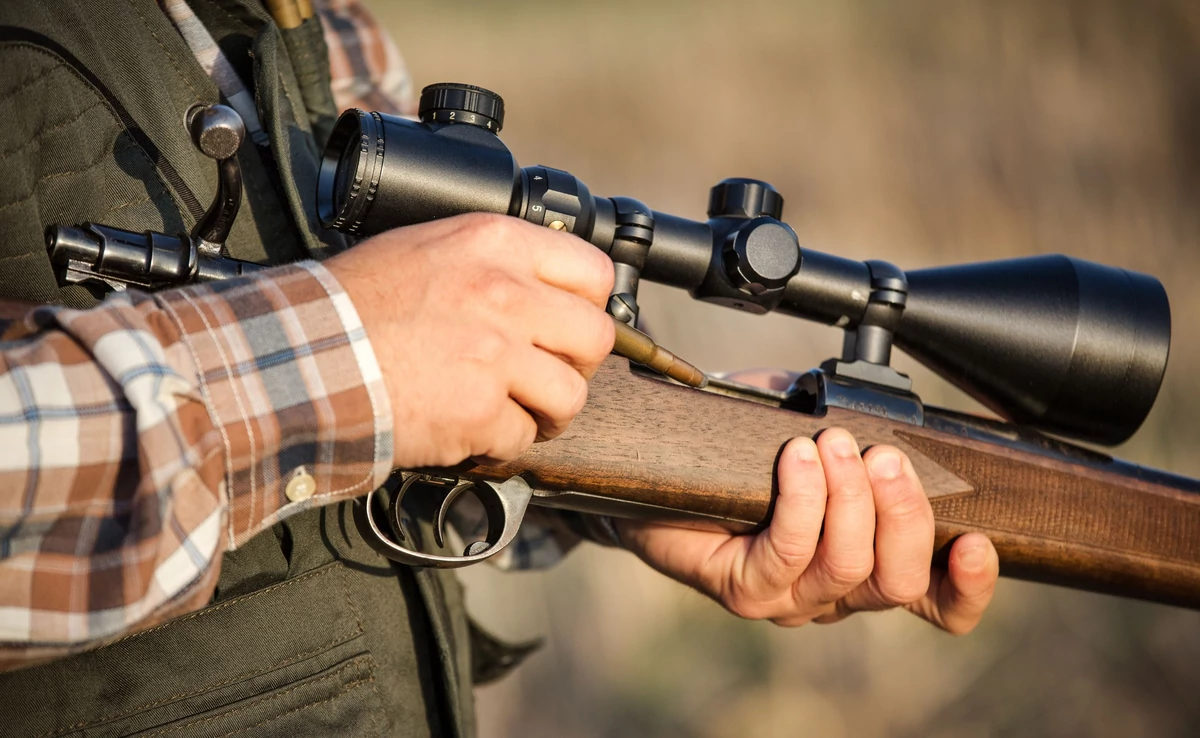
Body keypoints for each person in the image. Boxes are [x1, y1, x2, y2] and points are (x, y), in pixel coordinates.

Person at [0, 0, 999, 735]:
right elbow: (362, 353)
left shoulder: (311, 13)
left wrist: (635, 471)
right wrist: (357, 356)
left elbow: (378, 434)